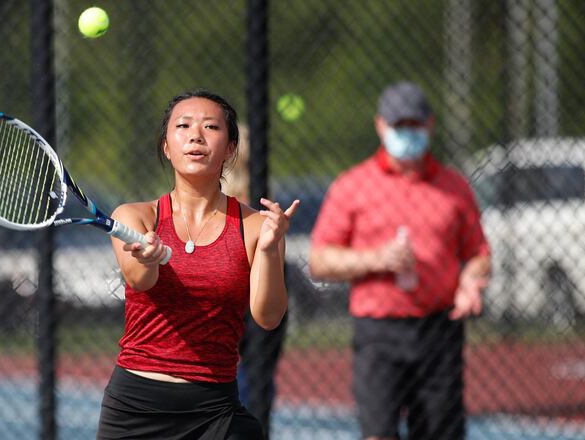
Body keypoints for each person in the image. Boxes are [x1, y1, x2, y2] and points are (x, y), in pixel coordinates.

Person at [96, 89, 299, 440]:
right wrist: (148, 258)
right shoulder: (135, 217)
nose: (195, 135)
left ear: (231, 148)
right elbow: (141, 281)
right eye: (184, 125)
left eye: (211, 127)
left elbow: (268, 317)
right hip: (135, 407)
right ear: (166, 146)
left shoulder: (256, 227)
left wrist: (268, 250)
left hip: (214, 408)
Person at [308, 81, 491, 440]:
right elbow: (320, 260)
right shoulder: (352, 186)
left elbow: (479, 254)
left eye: (415, 126)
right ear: (380, 125)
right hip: (379, 331)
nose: (407, 134)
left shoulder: (453, 186)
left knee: (441, 431)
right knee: (378, 432)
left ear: (430, 125)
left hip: (439, 328)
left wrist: (470, 282)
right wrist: (377, 259)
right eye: (398, 126)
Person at [224, 124, 288, 440]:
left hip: (253, 344)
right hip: (228, 346)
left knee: (248, 416)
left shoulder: (260, 202)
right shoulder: (213, 200)